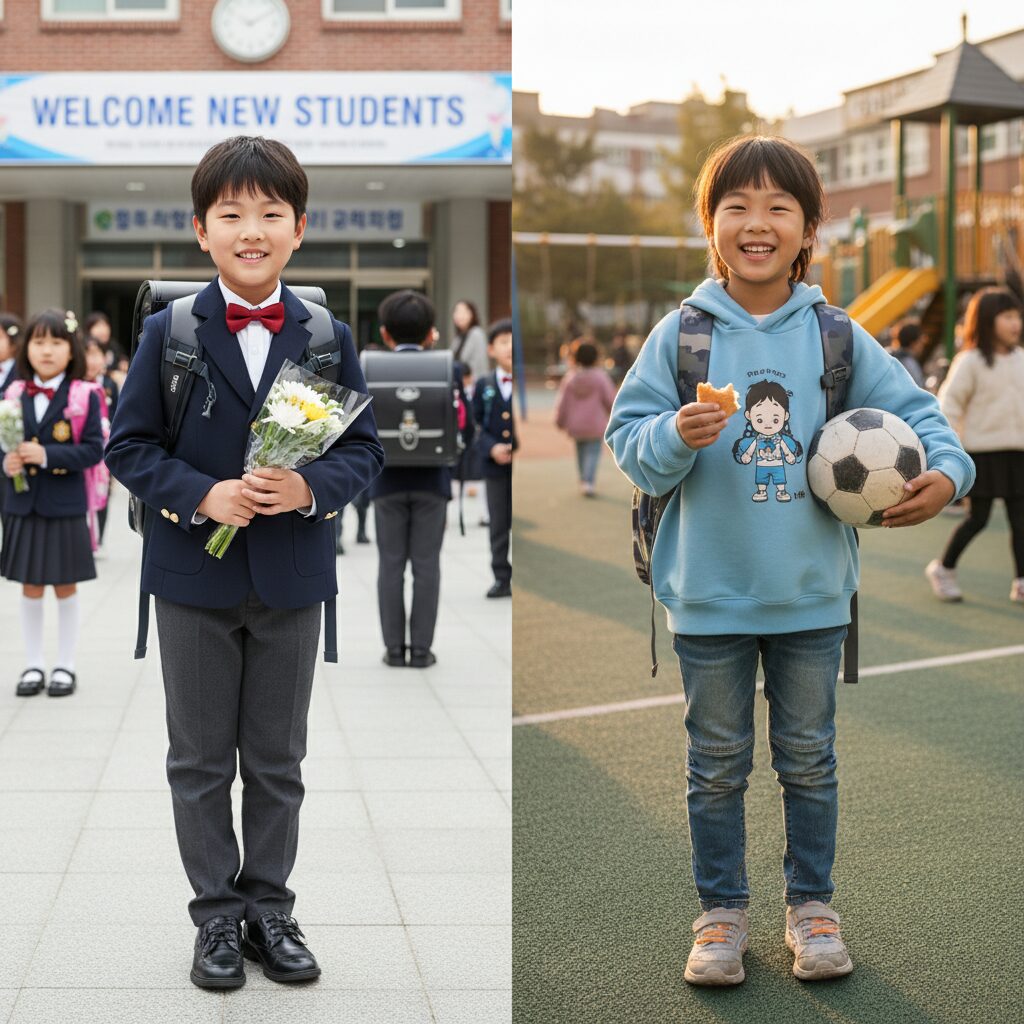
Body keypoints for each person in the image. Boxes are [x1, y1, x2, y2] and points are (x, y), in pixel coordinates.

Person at [605, 135, 974, 987]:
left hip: (812, 598)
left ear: (811, 227)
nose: (757, 222)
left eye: (779, 207)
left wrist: (946, 476)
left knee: (809, 761)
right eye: (736, 206)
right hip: (708, 598)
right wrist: (673, 434)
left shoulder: (837, 336)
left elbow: (930, 425)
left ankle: (812, 908)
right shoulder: (682, 334)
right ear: (711, 224)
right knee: (716, 766)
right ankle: (721, 915)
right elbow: (631, 442)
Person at [105, 135, 383, 991]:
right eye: (232, 214)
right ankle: (215, 920)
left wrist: (307, 488)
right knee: (197, 759)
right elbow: (128, 446)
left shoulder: (329, 333)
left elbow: (364, 452)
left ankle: (271, 909)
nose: (251, 230)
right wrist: (202, 495)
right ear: (202, 229)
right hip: (191, 581)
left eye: (270, 214)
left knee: (277, 759)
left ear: (299, 229)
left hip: (292, 581)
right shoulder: (170, 328)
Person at [1, 309, 104, 699]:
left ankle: (65, 664)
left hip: (64, 503)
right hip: (22, 502)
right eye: (38, 341)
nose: (46, 350)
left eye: (56, 342)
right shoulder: (11, 394)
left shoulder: (84, 394)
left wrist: (45, 456)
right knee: (28, 585)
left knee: (64, 585)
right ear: (25, 348)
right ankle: (32, 664)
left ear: (71, 348)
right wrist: (7, 460)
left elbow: (95, 450)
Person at [371, 289, 471, 668]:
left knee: (390, 565)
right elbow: (466, 425)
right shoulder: (448, 368)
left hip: (386, 482)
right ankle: (421, 650)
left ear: (385, 334)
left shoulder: (372, 367)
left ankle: (393, 649)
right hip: (433, 481)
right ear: (431, 333)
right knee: (427, 566)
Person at [925, 287, 1024, 602]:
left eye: (1017, 316)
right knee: (977, 519)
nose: (1015, 323)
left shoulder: (1022, 359)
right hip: (981, 453)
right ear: (986, 321)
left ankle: (1021, 580)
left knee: (1021, 521)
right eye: (1007, 316)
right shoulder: (970, 362)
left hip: (1016, 452)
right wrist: (950, 446)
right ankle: (943, 567)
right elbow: (949, 405)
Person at [472, 318, 516, 598]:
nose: (510, 347)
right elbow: (473, 425)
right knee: (498, 524)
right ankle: (501, 576)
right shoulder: (484, 385)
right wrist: (491, 448)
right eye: (503, 341)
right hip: (495, 468)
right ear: (491, 349)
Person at [554, 338, 616, 496]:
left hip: (576, 425)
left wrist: (560, 421)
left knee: (580, 451)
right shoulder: (600, 377)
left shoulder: (570, 378)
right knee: (593, 453)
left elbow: (563, 402)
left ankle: (583, 479)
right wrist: (614, 414)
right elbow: (611, 400)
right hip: (594, 424)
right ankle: (588, 481)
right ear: (596, 358)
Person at [83, 335, 119, 551]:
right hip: (87, 445)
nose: (92, 360)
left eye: (96, 354)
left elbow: (118, 411)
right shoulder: (74, 384)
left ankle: (98, 535)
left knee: (102, 488)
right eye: (87, 354)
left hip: (107, 445)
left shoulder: (108, 383)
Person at [887, 319, 927, 388]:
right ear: (913, 344)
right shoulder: (910, 363)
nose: (922, 346)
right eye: (920, 342)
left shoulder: (887, 354)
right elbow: (918, 388)